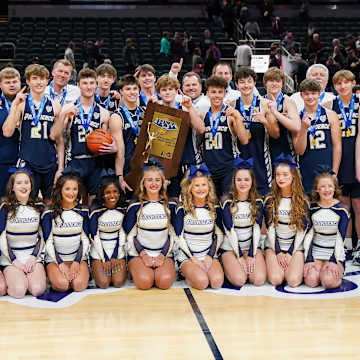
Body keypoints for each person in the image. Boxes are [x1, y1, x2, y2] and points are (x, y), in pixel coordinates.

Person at [3, 64, 64, 203]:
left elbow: (60, 141)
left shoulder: (55, 106)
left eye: (42, 79)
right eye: (35, 78)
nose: (39, 82)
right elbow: (7, 132)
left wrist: (60, 167)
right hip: (28, 161)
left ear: (47, 81)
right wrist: (13, 107)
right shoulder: (21, 104)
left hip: (49, 162)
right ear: (28, 81)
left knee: (50, 202)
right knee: (27, 202)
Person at [56, 68, 111, 199]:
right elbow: (59, 139)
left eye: (92, 83)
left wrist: (112, 146)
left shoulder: (103, 113)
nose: (88, 86)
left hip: (95, 163)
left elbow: (107, 140)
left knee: (94, 201)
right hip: (75, 161)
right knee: (73, 201)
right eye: (85, 83)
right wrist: (60, 167)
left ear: (96, 85)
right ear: (78, 85)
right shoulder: (69, 109)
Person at [323, 70, 360, 262]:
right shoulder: (329, 105)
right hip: (338, 160)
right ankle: (345, 245)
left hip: (356, 158)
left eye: (346, 82)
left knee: (358, 204)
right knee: (344, 206)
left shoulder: (359, 104)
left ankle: (359, 245)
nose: (343, 86)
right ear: (334, 86)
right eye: (339, 83)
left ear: (353, 83)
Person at [123, 159, 176, 290]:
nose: (154, 183)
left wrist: (163, 255)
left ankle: (159, 270)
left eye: (157, 180)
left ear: (163, 182)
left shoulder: (170, 205)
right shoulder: (135, 205)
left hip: (163, 253)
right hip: (140, 253)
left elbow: (173, 235)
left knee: (164, 282)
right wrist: (143, 255)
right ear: (143, 182)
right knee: (144, 282)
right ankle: (137, 269)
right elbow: (130, 236)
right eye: (149, 180)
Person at [191, 76, 248, 197]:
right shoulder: (202, 115)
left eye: (220, 92)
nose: (217, 95)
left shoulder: (231, 115)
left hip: (228, 167)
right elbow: (197, 142)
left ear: (225, 94)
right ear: (207, 94)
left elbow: (244, 140)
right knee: (211, 204)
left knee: (226, 202)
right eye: (213, 92)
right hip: (209, 167)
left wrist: (238, 117)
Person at [174, 164, 224, 290]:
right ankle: (184, 271)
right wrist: (193, 259)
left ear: (209, 187)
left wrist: (210, 256)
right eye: (196, 185)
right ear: (190, 188)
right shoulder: (182, 208)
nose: (200, 189)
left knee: (217, 282)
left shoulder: (214, 207)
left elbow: (219, 235)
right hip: (188, 256)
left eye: (203, 185)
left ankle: (202, 270)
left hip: (207, 254)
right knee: (202, 283)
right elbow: (179, 237)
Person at [264, 154, 309, 287]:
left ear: (293, 176)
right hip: (273, 246)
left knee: (293, 281)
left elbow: (301, 231)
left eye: (285, 174)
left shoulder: (303, 201)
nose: (280, 178)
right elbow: (270, 229)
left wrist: (290, 253)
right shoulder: (270, 199)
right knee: (276, 279)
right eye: (278, 174)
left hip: (295, 246)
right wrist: (278, 252)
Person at [220, 158, 266, 286]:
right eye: (239, 180)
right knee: (239, 280)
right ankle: (225, 264)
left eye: (246, 179)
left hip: (250, 247)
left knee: (258, 280)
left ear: (252, 182)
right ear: (233, 182)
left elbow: (256, 229)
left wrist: (251, 254)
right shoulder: (226, 201)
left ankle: (245, 262)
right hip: (231, 248)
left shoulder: (257, 201)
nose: (243, 183)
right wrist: (239, 256)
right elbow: (230, 231)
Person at [0, 169, 45, 298]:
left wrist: (33, 257)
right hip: (11, 258)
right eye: (19, 183)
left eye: (26, 182)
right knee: (19, 291)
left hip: (32, 256)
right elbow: (2, 237)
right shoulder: (5, 206)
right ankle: (11, 277)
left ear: (31, 186)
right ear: (12, 187)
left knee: (37, 290)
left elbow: (42, 235)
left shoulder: (39, 205)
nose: (24, 186)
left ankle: (27, 277)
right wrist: (14, 261)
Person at [235, 67, 278, 196]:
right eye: (242, 82)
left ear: (254, 83)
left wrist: (265, 121)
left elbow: (276, 133)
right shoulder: (231, 105)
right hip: (239, 157)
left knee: (264, 199)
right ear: (236, 84)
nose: (246, 85)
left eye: (249, 81)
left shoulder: (265, 104)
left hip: (261, 160)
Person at [42, 173, 89, 292]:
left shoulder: (83, 210)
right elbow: (48, 242)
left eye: (75, 189)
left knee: (79, 286)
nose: (71, 193)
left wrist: (77, 261)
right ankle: (53, 276)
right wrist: (60, 263)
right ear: (60, 190)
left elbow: (85, 240)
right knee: (63, 285)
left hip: (76, 258)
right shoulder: (49, 212)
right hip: (55, 259)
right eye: (67, 189)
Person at [293, 79, 342, 194]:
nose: (310, 97)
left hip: (326, 169)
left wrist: (334, 172)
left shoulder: (331, 115)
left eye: (313, 93)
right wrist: (304, 129)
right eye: (306, 94)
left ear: (319, 94)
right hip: (306, 169)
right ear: (301, 95)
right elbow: (299, 151)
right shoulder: (297, 117)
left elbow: (337, 146)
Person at [304, 170, 350, 289]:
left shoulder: (342, 210)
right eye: (322, 187)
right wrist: (309, 259)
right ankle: (321, 271)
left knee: (328, 282)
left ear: (335, 188)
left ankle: (331, 273)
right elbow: (308, 235)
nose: (326, 189)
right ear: (317, 190)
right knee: (311, 281)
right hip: (316, 253)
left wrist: (333, 260)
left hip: (335, 253)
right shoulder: (312, 208)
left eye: (330, 186)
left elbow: (340, 237)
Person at [109, 74, 146, 193]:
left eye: (135, 89)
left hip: (147, 165)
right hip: (128, 167)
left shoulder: (147, 112)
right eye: (128, 89)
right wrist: (119, 176)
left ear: (139, 91)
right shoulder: (116, 116)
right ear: (121, 92)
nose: (132, 92)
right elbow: (120, 150)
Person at [89, 176, 127, 288]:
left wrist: (115, 256)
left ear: (119, 193)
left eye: (115, 191)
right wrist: (105, 258)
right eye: (107, 192)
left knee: (118, 282)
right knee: (104, 283)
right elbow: (94, 236)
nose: (112, 196)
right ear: (102, 194)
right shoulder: (95, 211)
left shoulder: (123, 209)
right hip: (99, 250)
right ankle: (94, 266)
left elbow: (123, 234)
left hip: (117, 249)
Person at [263, 67, 300, 163]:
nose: (274, 84)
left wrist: (276, 114)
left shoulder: (288, 101)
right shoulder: (260, 101)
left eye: (278, 81)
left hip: (284, 148)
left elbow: (296, 127)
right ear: (265, 83)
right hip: (264, 148)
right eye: (271, 80)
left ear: (282, 83)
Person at [0, 67, 21, 197]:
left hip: (25, 159)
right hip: (3, 159)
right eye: (7, 82)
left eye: (14, 81)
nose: (12, 85)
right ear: (0, 85)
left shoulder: (29, 101)